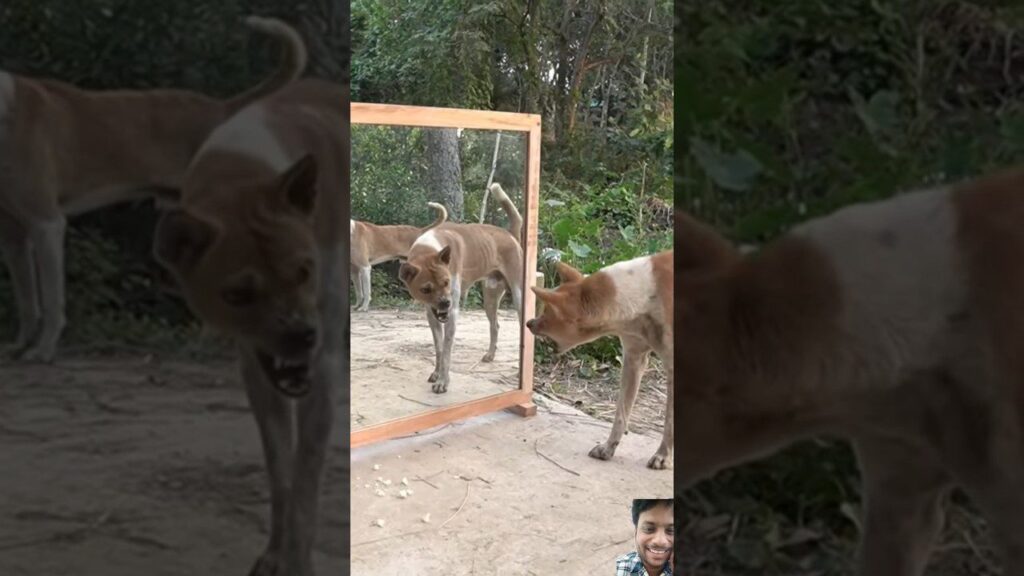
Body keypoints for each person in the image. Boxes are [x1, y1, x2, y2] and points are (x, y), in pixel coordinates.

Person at [615, 498, 674, 575]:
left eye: (671, 530)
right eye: (648, 529)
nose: (660, 541)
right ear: (636, 532)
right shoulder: (618, 568)